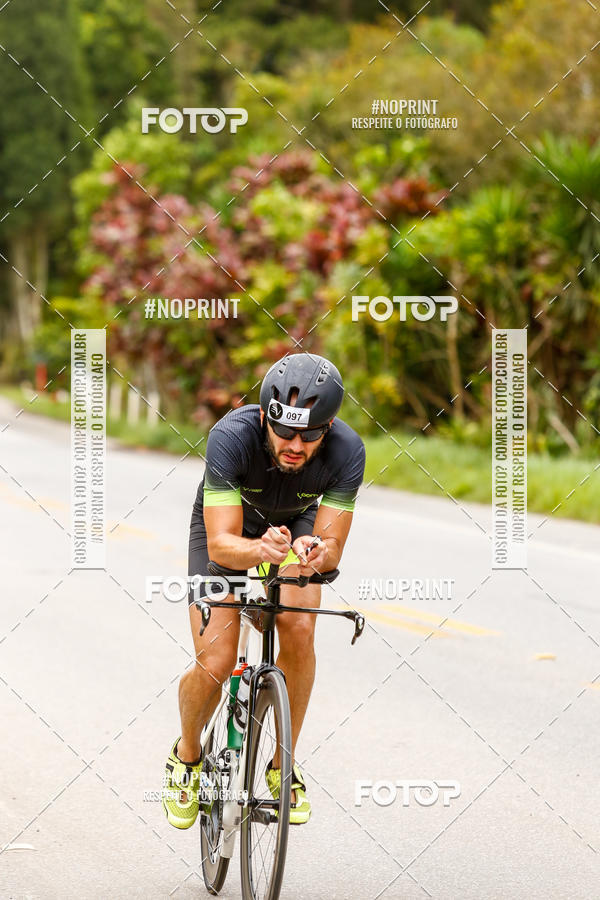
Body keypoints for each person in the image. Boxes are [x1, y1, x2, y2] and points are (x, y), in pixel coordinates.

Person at [163, 352, 365, 828]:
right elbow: (221, 544)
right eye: (284, 431)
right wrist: (259, 549)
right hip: (229, 530)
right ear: (264, 418)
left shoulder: (347, 451)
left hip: (297, 523)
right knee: (216, 661)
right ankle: (187, 756)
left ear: (329, 427)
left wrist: (317, 552)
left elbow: (333, 546)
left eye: (309, 434)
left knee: (299, 628)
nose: (295, 445)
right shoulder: (230, 437)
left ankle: (282, 766)